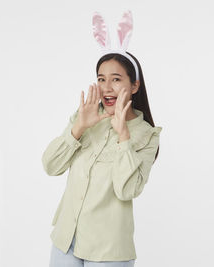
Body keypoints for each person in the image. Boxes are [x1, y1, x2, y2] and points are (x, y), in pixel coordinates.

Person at [42, 11, 162, 267]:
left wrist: (123, 136)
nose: (106, 87)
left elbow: (127, 190)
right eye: (101, 79)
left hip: (109, 252)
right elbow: (50, 166)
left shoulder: (147, 135)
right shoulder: (86, 116)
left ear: (134, 86)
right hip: (66, 241)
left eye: (116, 79)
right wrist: (78, 128)